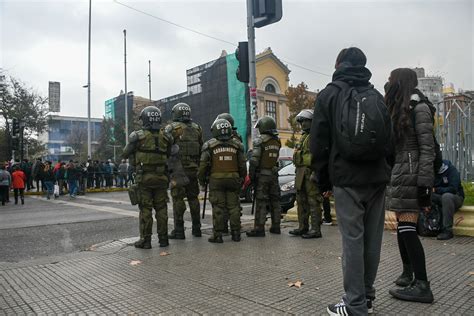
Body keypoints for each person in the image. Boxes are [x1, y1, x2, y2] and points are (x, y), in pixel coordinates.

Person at [310, 47, 393, 315]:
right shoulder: (376, 95)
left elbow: (319, 143)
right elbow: (390, 141)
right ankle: (366, 296)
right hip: (377, 178)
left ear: (339, 63)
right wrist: (385, 170)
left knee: (352, 241)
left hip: (346, 179)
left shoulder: (329, 94)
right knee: (372, 240)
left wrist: (322, 181)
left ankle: (354, 305)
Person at [385, 68, 435, 304]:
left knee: (407, 227)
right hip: (400, 173)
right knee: (404, 228)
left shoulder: (420, 109)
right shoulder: (401, 109)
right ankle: (408, 274)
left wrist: (425, 184)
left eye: (390, 81)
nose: (388, 84)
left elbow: (428, 149)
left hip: (413, 174)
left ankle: (422, 284)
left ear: (400, 83)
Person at [122, 106, 172, 249]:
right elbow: (169, 153)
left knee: (145, 209)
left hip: (144, 179)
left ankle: (146, 240)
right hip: (162, 177)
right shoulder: (166, 136)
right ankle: (163, 239)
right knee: (161, 208)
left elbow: (125, 153)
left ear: (144, 119)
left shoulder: (137, 136)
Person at [198, 118, 246, 243]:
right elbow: (242, 164)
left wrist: (202, 181)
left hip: (216, 180)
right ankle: (236, 234)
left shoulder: (209, 145)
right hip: (233, 178)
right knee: (234, 207)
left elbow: (203, 165)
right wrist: (241, 178)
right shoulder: (237, 145)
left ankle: (218, 235)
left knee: (218, 207)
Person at [165, 103, 204, 239]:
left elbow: (166, 148)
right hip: (193, 169)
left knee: (178, 199)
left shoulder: (171, 128)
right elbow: (201, 148)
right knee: (194, 198)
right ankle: (197, 228)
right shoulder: (197, 128)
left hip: (178, 170)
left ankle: (179, 230)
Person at [289, 109, 323, 239]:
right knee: (301, 200)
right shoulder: (304, 136)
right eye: (301, 121)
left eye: (306, 121)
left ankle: (316, 229)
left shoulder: (315, 137)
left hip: (310, 171)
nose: (303, 124)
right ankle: (303, 226)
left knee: (313, 201)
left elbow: (317, 156)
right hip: (301, 172)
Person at [246, 116, 282, 237]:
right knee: (275, 201)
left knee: (261, 201)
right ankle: (276, 226)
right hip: (273, 175)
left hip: (262, 176)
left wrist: (251, 175)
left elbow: (254, 161)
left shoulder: (259, 141)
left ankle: (259, 228)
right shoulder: (277, 141)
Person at [215, 112, 244, 233]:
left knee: (222, 204)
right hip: (235, 175)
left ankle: (224, 227)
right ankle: (235, 229)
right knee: (233, 204)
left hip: (221, 174)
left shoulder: (222, 137)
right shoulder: (237, 138)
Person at [431, 160, 464, 240]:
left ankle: (447, 230)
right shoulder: (430, 171)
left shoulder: (451, 170)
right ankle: (427, 227)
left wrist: (437, 190)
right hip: (438, 196)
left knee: (446, 197)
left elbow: (453, 189)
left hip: (455, 197)